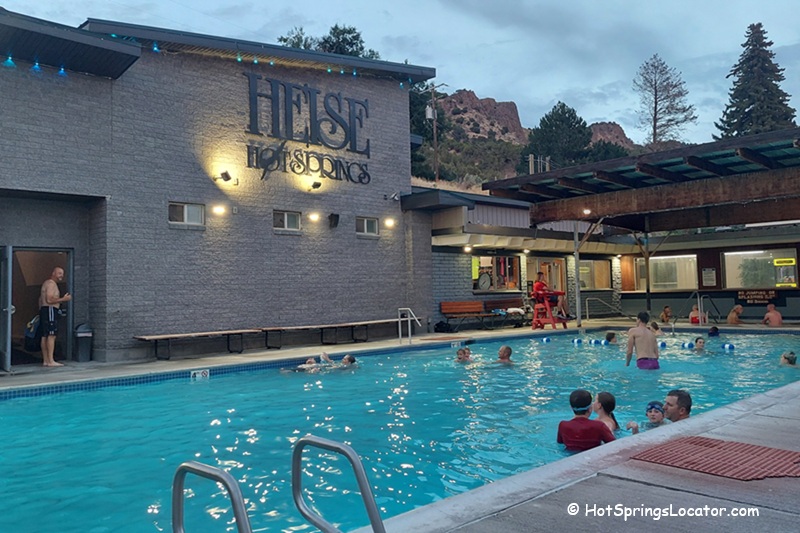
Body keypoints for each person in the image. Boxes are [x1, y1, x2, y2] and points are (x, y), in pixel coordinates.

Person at [39, 266, 71, 367]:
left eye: (62, 273)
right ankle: (51, 360)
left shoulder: (46, 283)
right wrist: (64, 299)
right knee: (51, 335)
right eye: (59, 273)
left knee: (45, 335)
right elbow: (49, 300)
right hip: (50, 309)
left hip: (44, 310)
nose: (62, 275)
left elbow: (40, 300)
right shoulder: (51, 284)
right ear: (53, 273)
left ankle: (46, 360)